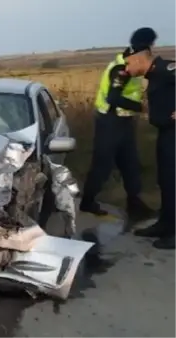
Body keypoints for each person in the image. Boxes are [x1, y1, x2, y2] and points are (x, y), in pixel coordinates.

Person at [79, 30, 156, 223]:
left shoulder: (130, 61)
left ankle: (135, 205)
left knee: (130, 165)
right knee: (102, 165)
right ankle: (87, 202)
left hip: (123, 122)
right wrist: (140, 107)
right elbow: (113, 97)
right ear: (145, 46)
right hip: (110, 122)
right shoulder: (122, 69)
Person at [124, 41, 176, 249]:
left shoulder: (167, 69)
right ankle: (166, 224)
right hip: (166, 134)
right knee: (167, 182)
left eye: (129, 63)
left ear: (138, 58)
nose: (128, 69)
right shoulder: (154, 75)